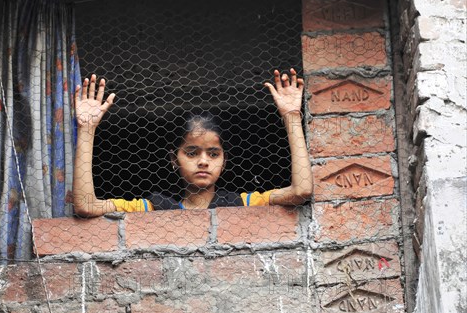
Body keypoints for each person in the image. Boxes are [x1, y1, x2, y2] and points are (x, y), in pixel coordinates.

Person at [73, 69, 313, 217]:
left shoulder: (242, 203)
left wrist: (291, 117)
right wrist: (87, 128)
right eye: (191, 153)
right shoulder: (154, 208)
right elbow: (86, 206)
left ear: (224, 160)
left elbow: (301, 191)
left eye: (213, 154)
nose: (203, 162)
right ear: (173, 160)